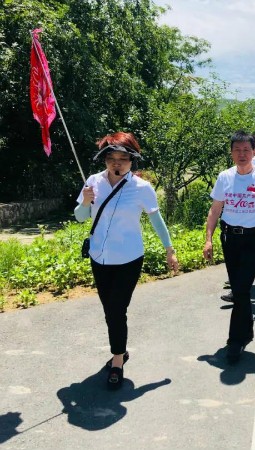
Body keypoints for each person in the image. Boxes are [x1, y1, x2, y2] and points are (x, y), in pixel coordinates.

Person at [74, 132, 179, 389]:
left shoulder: (141, 188)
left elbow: (156, 220)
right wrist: (85, 201)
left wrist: (170, 249)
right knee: (110, 310)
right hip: (99, 257)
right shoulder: (93, 182)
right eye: (111, 158)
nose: (117, 163)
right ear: (104, 159)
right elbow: (80, 217)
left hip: (129, 259)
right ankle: (119, 348)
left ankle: (117, 361)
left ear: (132, 161)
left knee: (116, 310)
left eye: (123, 158)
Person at [203, 131, 255, 363]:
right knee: (240, 289)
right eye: (237, 150)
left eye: (246, 150)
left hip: (254, 239)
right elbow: (215, 210)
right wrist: (208, 238)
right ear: (231, 153)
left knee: (241, 289)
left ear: (254, 151)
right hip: (229, 238)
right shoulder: (225, 177)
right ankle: (246, 331)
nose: (242, 154)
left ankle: (235, 341)